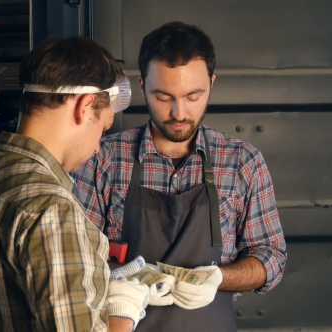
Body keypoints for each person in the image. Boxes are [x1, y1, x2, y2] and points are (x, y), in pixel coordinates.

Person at [73, 21, 287, 331]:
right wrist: (127, 282)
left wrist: (220, 278)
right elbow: (78, 259)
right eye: (163, 97)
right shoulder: (104, 158)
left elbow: (271, 258)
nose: (179, 113)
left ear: (211, 84)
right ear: (142, 86)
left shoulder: (242, 161)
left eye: (193, 96)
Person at [0, 36, 152, 332]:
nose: (98, 147)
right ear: (84, 106)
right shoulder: (52, 210)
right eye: (103, 128)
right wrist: (125, 310)